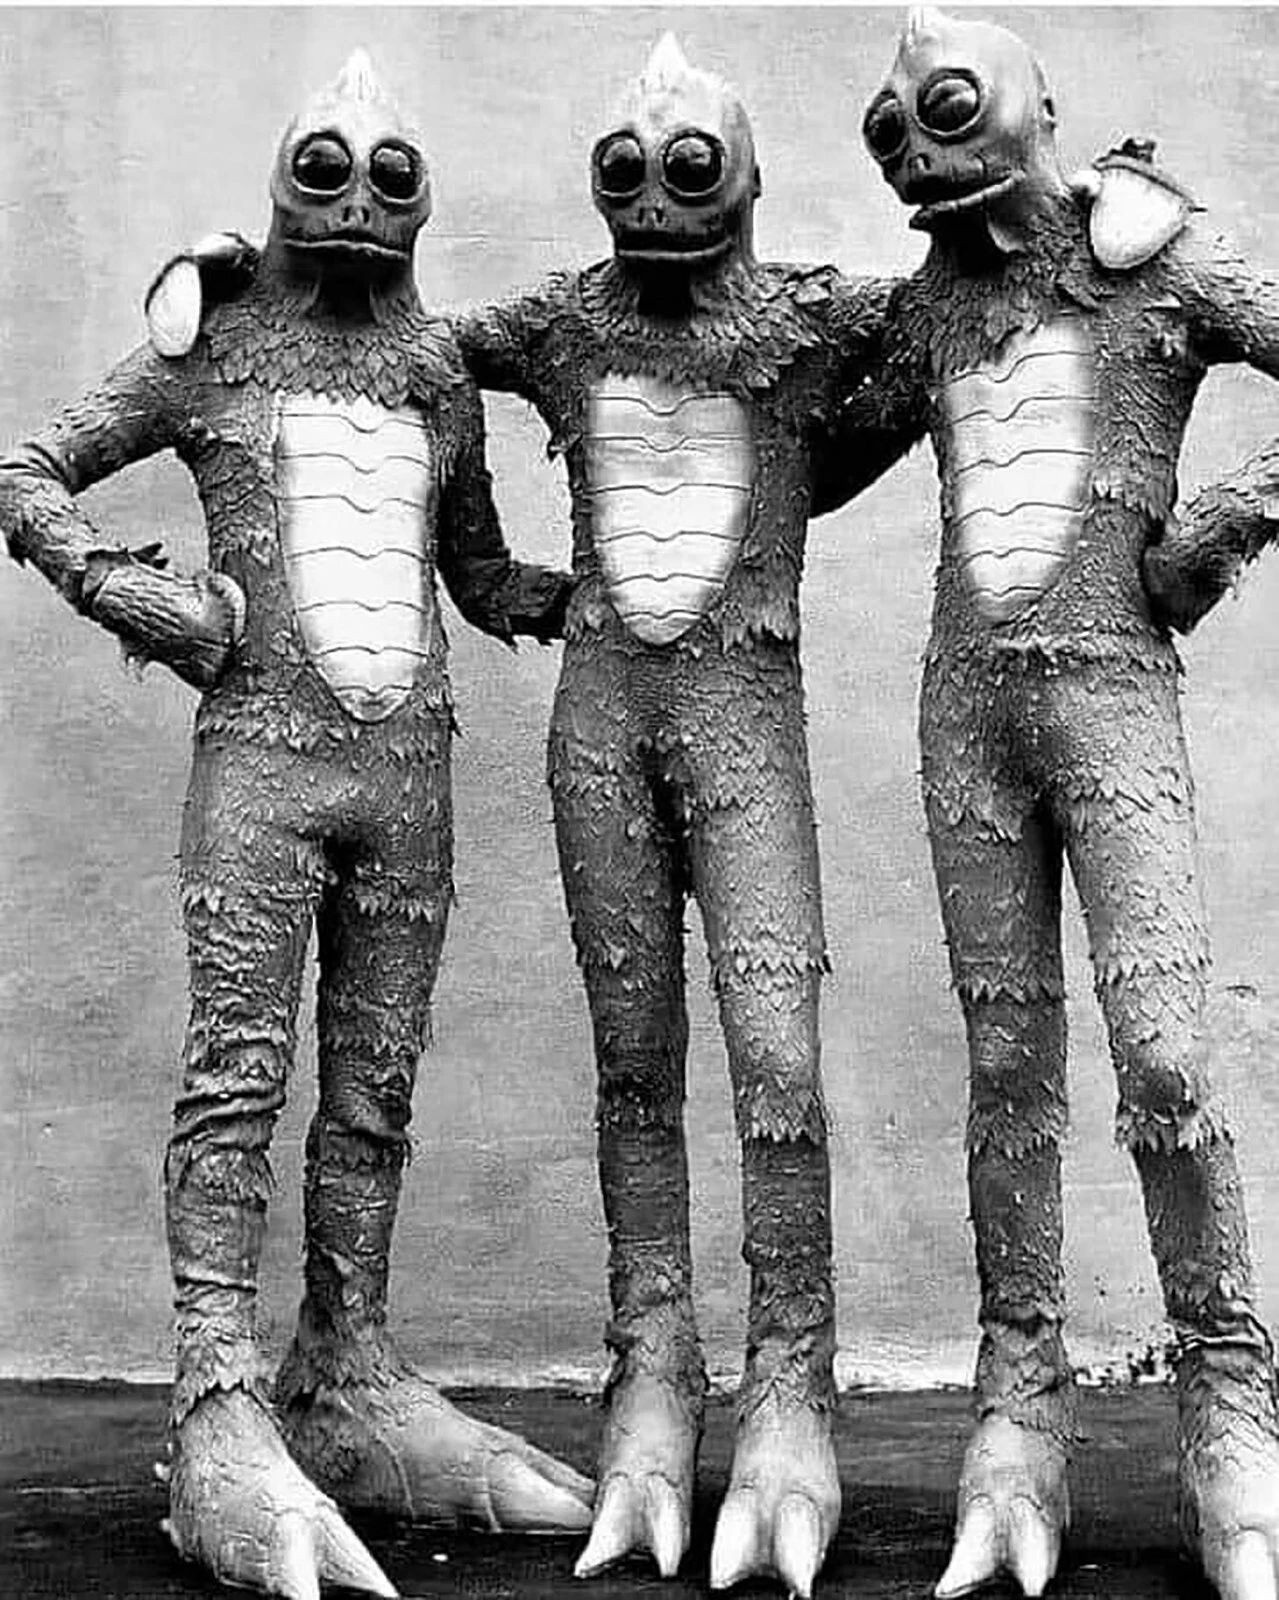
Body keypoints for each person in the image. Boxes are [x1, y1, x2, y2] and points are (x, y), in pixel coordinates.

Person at [1, 52, 592, 1600]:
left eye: (391, 177)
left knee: (375, 1094)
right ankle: (216, 1399)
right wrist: (130, 594)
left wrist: (628, 597)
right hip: (260, 768)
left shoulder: (437, 373)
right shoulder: (213, 345)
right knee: (237, 1080)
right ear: (280, 185)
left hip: (408, 787)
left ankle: (347, 1369)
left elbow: (479, 576)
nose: (358, 203)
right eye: (324, 171)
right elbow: (27, 467)